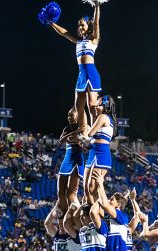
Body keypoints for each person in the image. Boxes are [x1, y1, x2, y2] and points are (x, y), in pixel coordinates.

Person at [49, 3, 102, 132]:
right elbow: (64, 33)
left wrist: (96, 6)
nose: (79, 27)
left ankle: (95, 131)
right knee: (78, 106)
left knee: (91, 105)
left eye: (82, 24)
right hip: (81, 74)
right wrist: (51, 23)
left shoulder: (93, 39)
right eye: (79, 24)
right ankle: (83, 129)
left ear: (88, 26)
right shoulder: (77, 41)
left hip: (90, 72)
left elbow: (96, 23)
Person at [83, 95, 116, 206]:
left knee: (92, 188)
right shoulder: (100, 117)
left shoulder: (103, 117)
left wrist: (85, 127)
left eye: (99, 105)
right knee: (86, 189)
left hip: (101, 155)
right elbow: (91, 138)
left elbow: (89, 134)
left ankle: (97, 216)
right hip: (92, 153)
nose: (96, 107)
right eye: (96, 105)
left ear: (106, 106)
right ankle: (90, 215)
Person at [56, 108, 85, 216]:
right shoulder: (67, 128)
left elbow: (81, 141)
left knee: (71, 193)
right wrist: (74, 134)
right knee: (60, 192)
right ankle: (65, 216)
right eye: (68, 115)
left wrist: (75, 137)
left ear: (77, 116)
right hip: (67, 158)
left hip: (77, 158)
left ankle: (77, 215)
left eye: (71, 115)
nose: (69, 118)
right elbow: (61, 141)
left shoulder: (83, 128)